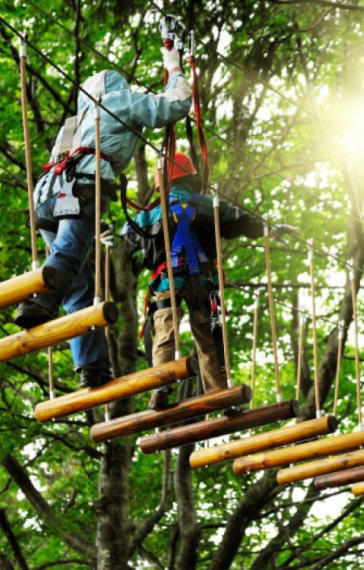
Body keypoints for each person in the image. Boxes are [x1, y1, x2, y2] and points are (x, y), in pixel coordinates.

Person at [14, 48, 192, 389]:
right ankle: (40, 299)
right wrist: (173, 66)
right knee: (69, 253)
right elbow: (177, 104)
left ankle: (91, 366)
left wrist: (96, 223)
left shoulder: (74, 122)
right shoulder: (119, 101)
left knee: (79, 283)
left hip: (46, 198)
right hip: (81, 187)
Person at [120, 153, 296, 409]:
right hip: (205, 283)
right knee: (210, 338)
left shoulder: (148, 216)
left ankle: (160, 388)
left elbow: (126, 240)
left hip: (168, 283)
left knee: (165, 333)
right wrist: (270, 228)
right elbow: (243, 222)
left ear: (161, 185)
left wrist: (105, 236)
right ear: (192, 179)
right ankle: (219, 393)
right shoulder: (211, 206)